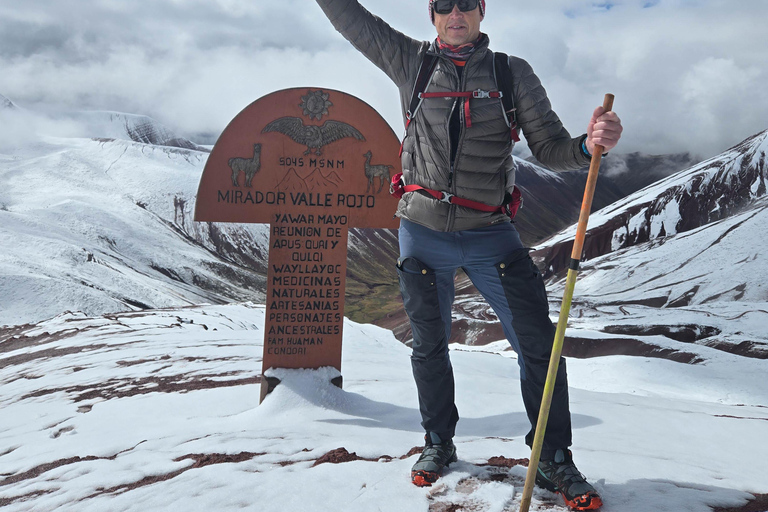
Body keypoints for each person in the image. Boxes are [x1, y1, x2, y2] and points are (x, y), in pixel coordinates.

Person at [315, 0, 623, 509]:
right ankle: (438, 442)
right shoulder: (410, 61)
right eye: (443, 4)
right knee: (428, 345)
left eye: (465, 3)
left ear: (482, 11)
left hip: (491, 233)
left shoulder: (510, 73)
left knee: (538, 346)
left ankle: (552, 458)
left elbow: (549, 149)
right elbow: (353, 21)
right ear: (431, 14)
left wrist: (590, 146)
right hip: (421, 228)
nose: (454, 12)